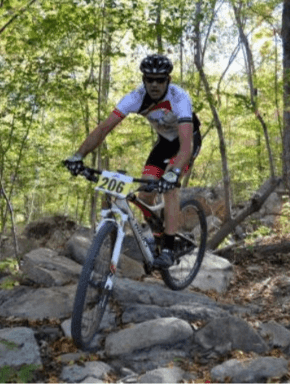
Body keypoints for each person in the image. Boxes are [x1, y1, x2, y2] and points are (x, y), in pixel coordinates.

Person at [64, 54, 201, 269]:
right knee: (145, 192)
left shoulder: (179, 97)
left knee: (169, 188)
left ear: (169, 80)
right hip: (164, 142)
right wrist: (78, 156)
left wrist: (173, 173)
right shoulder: (136, 97)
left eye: (160, 79)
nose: (154, 84)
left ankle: (168, 247)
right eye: (149, 79)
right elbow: (103, 129)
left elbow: (185, 147)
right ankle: (157, 231)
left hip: (186, 141)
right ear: (144, 79)